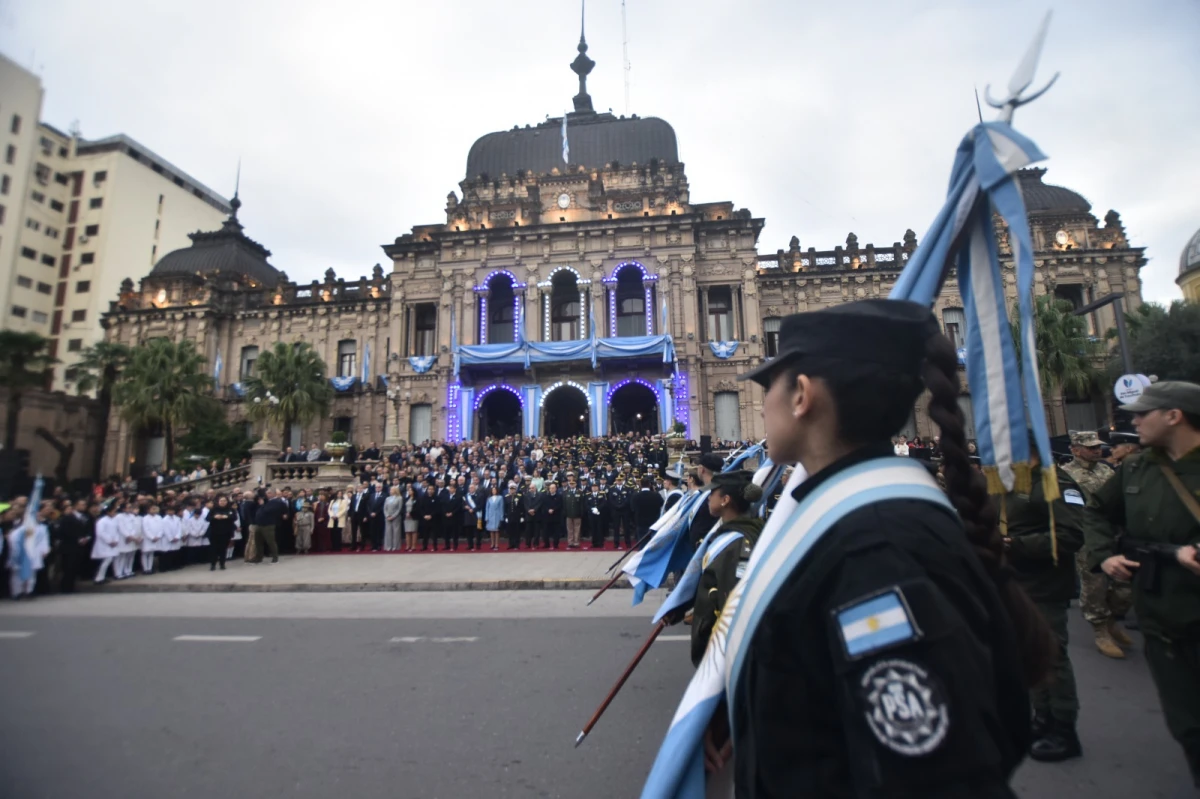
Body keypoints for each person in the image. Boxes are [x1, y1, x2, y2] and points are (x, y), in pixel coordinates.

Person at [705, 300, 1046, 795]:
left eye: (767, 385)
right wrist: (761, 716)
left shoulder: (876, 551)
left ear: (802, 395)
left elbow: (932, 777)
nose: (761, 404)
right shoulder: (856, 520)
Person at [1085, 380, 1200, 787]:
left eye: (1142, 414)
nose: (1133, 422)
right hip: (1160, 618)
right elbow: (1096, 512)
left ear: (1174, 416)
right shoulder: (1136, 468)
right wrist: (1105, 554)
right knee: (1187, 724)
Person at [1003, 444, 1087, 761]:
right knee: (1030, 652)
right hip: (1016, 581)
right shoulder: (1012, 481)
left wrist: (1015, 544)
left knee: (1051, 654)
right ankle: (1043, 718)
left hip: (1045, 584)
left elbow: (1070, 535)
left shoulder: (1056, 482)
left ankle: (1064, 727)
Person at [1062, 429, 1132, 659]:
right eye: (1091, 447)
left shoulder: (1106, 470)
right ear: (1075, 450)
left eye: (1098, 446)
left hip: (1114, 534)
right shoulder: (1065, 474)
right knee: (1095, 584)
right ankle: (1100, 629)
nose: (1097, 450)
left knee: (1124, 585)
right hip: (1087, 537)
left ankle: (1112, 619)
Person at [688, 469, 764, 666]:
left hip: (723, 652)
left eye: (713, 492)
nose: (708, 497)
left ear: (725, 500)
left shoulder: (738, 543)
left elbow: (731, 602)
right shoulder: (734, 533)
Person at [8, 509, 50, 599]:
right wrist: (17, 553)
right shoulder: (18, 530)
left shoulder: (41, 528)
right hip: (21, 554)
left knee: (31, 574)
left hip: (33, 554)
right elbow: (14, 542)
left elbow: (43, 540)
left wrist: (44, 550)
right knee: (17, 575)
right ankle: (17, 592)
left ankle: (29, 591)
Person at [251, 489, 287, 564]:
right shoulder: (266, 501)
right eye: (266, 493)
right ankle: (259, 557)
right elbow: (256, 499)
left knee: (270, 541)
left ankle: (275, 558)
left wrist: (262, 505)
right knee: (258, 542)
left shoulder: (275, 502)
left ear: (274, 494)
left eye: (269, 493)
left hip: (268, 524)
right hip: (259, 524)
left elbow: (268, 510)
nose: (267, 494)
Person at [631, 475, 664, 549]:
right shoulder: (656, 495)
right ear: (649, 485)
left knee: (642, 544)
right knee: (653, 544)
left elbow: (632, 509)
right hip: (654, 522)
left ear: (640, 485)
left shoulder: (636, 496)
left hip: (641, 523)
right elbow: (661, 505)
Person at [92, 503, 121, 584]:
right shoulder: (102, 521)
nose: (115, 513)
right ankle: (99, 578)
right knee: (107, 560)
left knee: (109, 560)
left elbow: (117, 531)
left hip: (113, 543)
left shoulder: (114, 520)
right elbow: (100, 533)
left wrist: (116, 540)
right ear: (108, 512)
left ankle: (101, 577)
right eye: (113, 511)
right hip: (104, 544)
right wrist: (109, 541)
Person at [208, 495, 236, 570]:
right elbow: (207, 518)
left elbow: (234, 517)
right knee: (214, 549)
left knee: (223, 549)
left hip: (226, 532)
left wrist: (227, 517)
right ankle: (213, 564)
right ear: (218, 502)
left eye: (224, 501)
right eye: (221, 501)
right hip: (214, 532)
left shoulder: (230, 509)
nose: (223, 502)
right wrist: (214, 517)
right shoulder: (214, 509)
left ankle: (222, 564)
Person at [562, 474, 583, 549]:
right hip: (569, 514)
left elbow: (582, 504)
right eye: (570, 484)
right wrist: (565, 513)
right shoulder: (566, 492)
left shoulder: (579, 492)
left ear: (576, 484)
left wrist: (581, 513)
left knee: (577, 529)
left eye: (573, 483)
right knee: (570, 529)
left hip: (577, 514)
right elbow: (564, 504)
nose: (571, 485)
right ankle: (570, 542)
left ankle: (576, 542)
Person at [384, 485, 404, 552]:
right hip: (388, 517)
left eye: (392, 490)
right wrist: (387, 515)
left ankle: (395, 546)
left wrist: (393, 516)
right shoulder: (387, 498)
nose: (390, 491)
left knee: (396, 532)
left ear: (395, 491)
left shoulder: (399, 498)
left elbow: (399, 508)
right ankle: (389, 546)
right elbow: (385, 508)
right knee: (388, 532)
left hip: (396, 517)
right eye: (390, 490)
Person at [485, 485, 504, 551]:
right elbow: (487, 508)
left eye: (495, 490)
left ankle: (496, 544)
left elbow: (501, 508)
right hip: (490, 516)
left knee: (497, 531)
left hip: (497, 515)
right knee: (491, 531)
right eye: (492, 490)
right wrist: (486, 517)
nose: (494, 491)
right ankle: (492, 544)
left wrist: (501, 517)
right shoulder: (489, 498)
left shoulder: (500, 498)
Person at [403, 484, 421, 552]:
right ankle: (408, 546)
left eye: (410, 490)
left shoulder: (416, 499)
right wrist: (405, 513)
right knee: (407, 532)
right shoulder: (406, 499)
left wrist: (410, 513)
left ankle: (413, 546)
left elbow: (417, 508)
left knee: (414, 531)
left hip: (413, 517)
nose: (409, 491)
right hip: (406, 517)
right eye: (408, 490)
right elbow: (403, 507)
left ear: (413, 491)